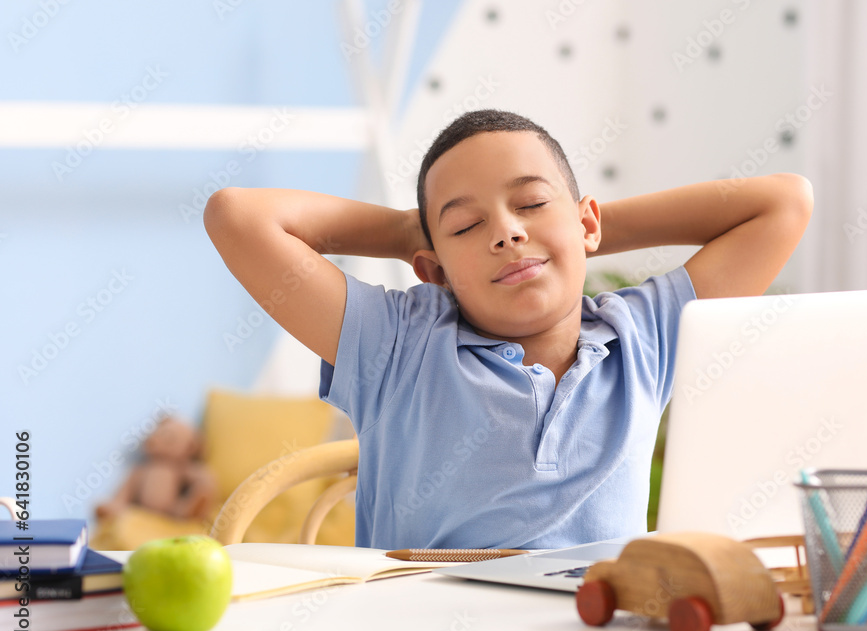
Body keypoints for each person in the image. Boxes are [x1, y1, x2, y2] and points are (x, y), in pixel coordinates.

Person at [204, 109, 812, 549]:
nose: (506, 232)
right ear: (432, 266)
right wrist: (405, 231)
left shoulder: (643, 339)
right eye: (466, 226)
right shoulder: (394, 343)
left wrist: (574, 232)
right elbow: (237, 216)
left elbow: (784, 202)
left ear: (587, 224)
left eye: (530, 204)